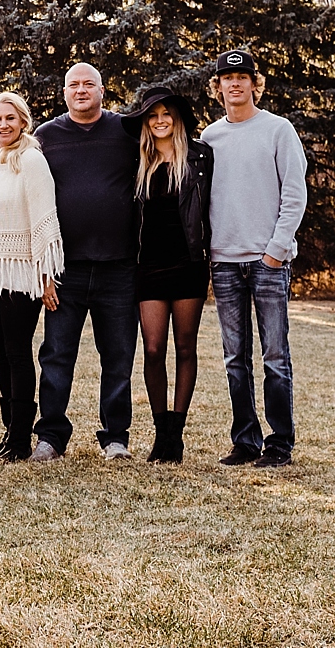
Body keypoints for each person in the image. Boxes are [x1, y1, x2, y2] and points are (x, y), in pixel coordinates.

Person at [201, 48, 309, 468]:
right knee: (234, 358)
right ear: (218, 87)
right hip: (224, 262)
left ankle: (279, 443)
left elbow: (294, 195)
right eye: (228, 78)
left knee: (275, 357)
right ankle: (245, 442)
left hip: (267, 263)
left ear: (254, 84)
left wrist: (275, 253)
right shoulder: (210, 139)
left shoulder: (279, 131)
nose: (235, 83)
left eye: (243, 76)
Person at [32, 62, 140, 461]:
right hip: (65, 270)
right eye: (73, 85)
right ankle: (51, 438)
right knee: (57, 355)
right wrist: (42, 268)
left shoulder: (126, 131)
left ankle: (115, 438)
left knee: (118, 355)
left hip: (120, 267)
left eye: (88, 84)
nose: (81, 90)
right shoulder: (46, 136)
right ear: (64, 92)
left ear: (102, 89)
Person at [0, 91, 64, 462]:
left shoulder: (32, 160)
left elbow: (43, 217)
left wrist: (46, 276)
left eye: (10, 118)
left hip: (21, 271)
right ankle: (9, 432)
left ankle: (21, 438)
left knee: (17, 353)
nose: (3, 125)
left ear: (23, 122)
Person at [122, 82, 213, 464]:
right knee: (154, 349)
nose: (160, 121)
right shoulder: (136, 161)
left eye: (166, 115)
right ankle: (160, 431)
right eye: (153, 116)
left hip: (189, 264)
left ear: (176, 120)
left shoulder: (200, 157)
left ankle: (175, 435)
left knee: (185, 347)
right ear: (146, 123)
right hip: (149, 266)